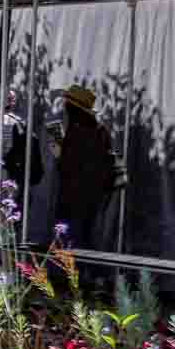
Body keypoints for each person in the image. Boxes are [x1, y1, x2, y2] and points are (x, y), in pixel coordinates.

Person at [53, 84, 114, 247]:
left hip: (72, 195)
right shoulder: (101, 131)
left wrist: (59, 150)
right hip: (93, 196)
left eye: (67, 104)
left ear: (73, 108)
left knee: (68, 238)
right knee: (86, 237)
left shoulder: (76, 131)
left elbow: (66, 164)